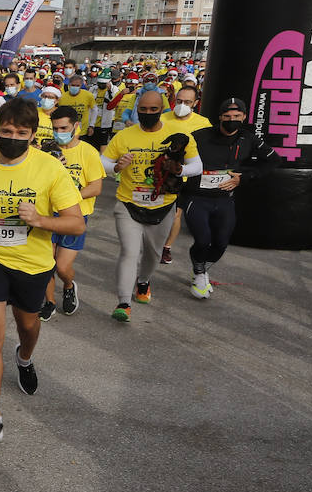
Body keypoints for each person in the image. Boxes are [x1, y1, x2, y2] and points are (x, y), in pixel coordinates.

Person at [0, 99, 84, 449]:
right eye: (6, 131)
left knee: (27, 325)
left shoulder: (49, 169)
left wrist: (40, 220)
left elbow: (76, 221)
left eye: (21, 133)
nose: (13, 138)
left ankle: (24, 358)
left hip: (33, 263)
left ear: (33, 135)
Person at [101, 89, 204, 322]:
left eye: (153, 110)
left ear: (163, 110)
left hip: (163, 204)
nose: (148, 113)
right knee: (129, 252)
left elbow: (197, 165)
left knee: (153, 254)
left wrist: (179, 170)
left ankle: (144, 281)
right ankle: (123, 302)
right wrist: (117, 166)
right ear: (137, 110)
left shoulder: (178, 134)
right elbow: (103, 163)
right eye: (143, 109)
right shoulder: (125, 136)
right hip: (128, 203)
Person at [184, 98, 279, 299]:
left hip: (225, 199)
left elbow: (273, 160)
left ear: (244, 117)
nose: (231, 120)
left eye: (236, 116)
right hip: (198, 197)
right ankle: (200, 274)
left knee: (220, 243)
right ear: (219, 117)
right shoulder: (201, 136)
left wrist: (245, 177)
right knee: (203, 240)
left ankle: (200, 268)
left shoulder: (248, 139)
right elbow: (178, 153)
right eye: (227, 116)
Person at [39, 107, 104, 319]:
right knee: (45, 263)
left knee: (62, 266)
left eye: (64, 128)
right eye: (55, 128)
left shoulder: (88, 152)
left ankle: (68, 285)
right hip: (48, 215)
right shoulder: (46, 151)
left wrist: (68, 197)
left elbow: (95, 188)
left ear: (76, 126)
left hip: (75, 216)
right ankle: (49, 302)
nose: (59, 132)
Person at [157, 84, 214, 264]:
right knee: (157, 210)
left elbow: (207, 150)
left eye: (187, 102)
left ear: (196, 103)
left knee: (175, 214)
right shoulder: (163, 118)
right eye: (179, 101)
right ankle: (151, 243)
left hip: (186, 176)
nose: (182, 105)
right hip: (162, 173)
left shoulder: (203, 123)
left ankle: (166, 248)